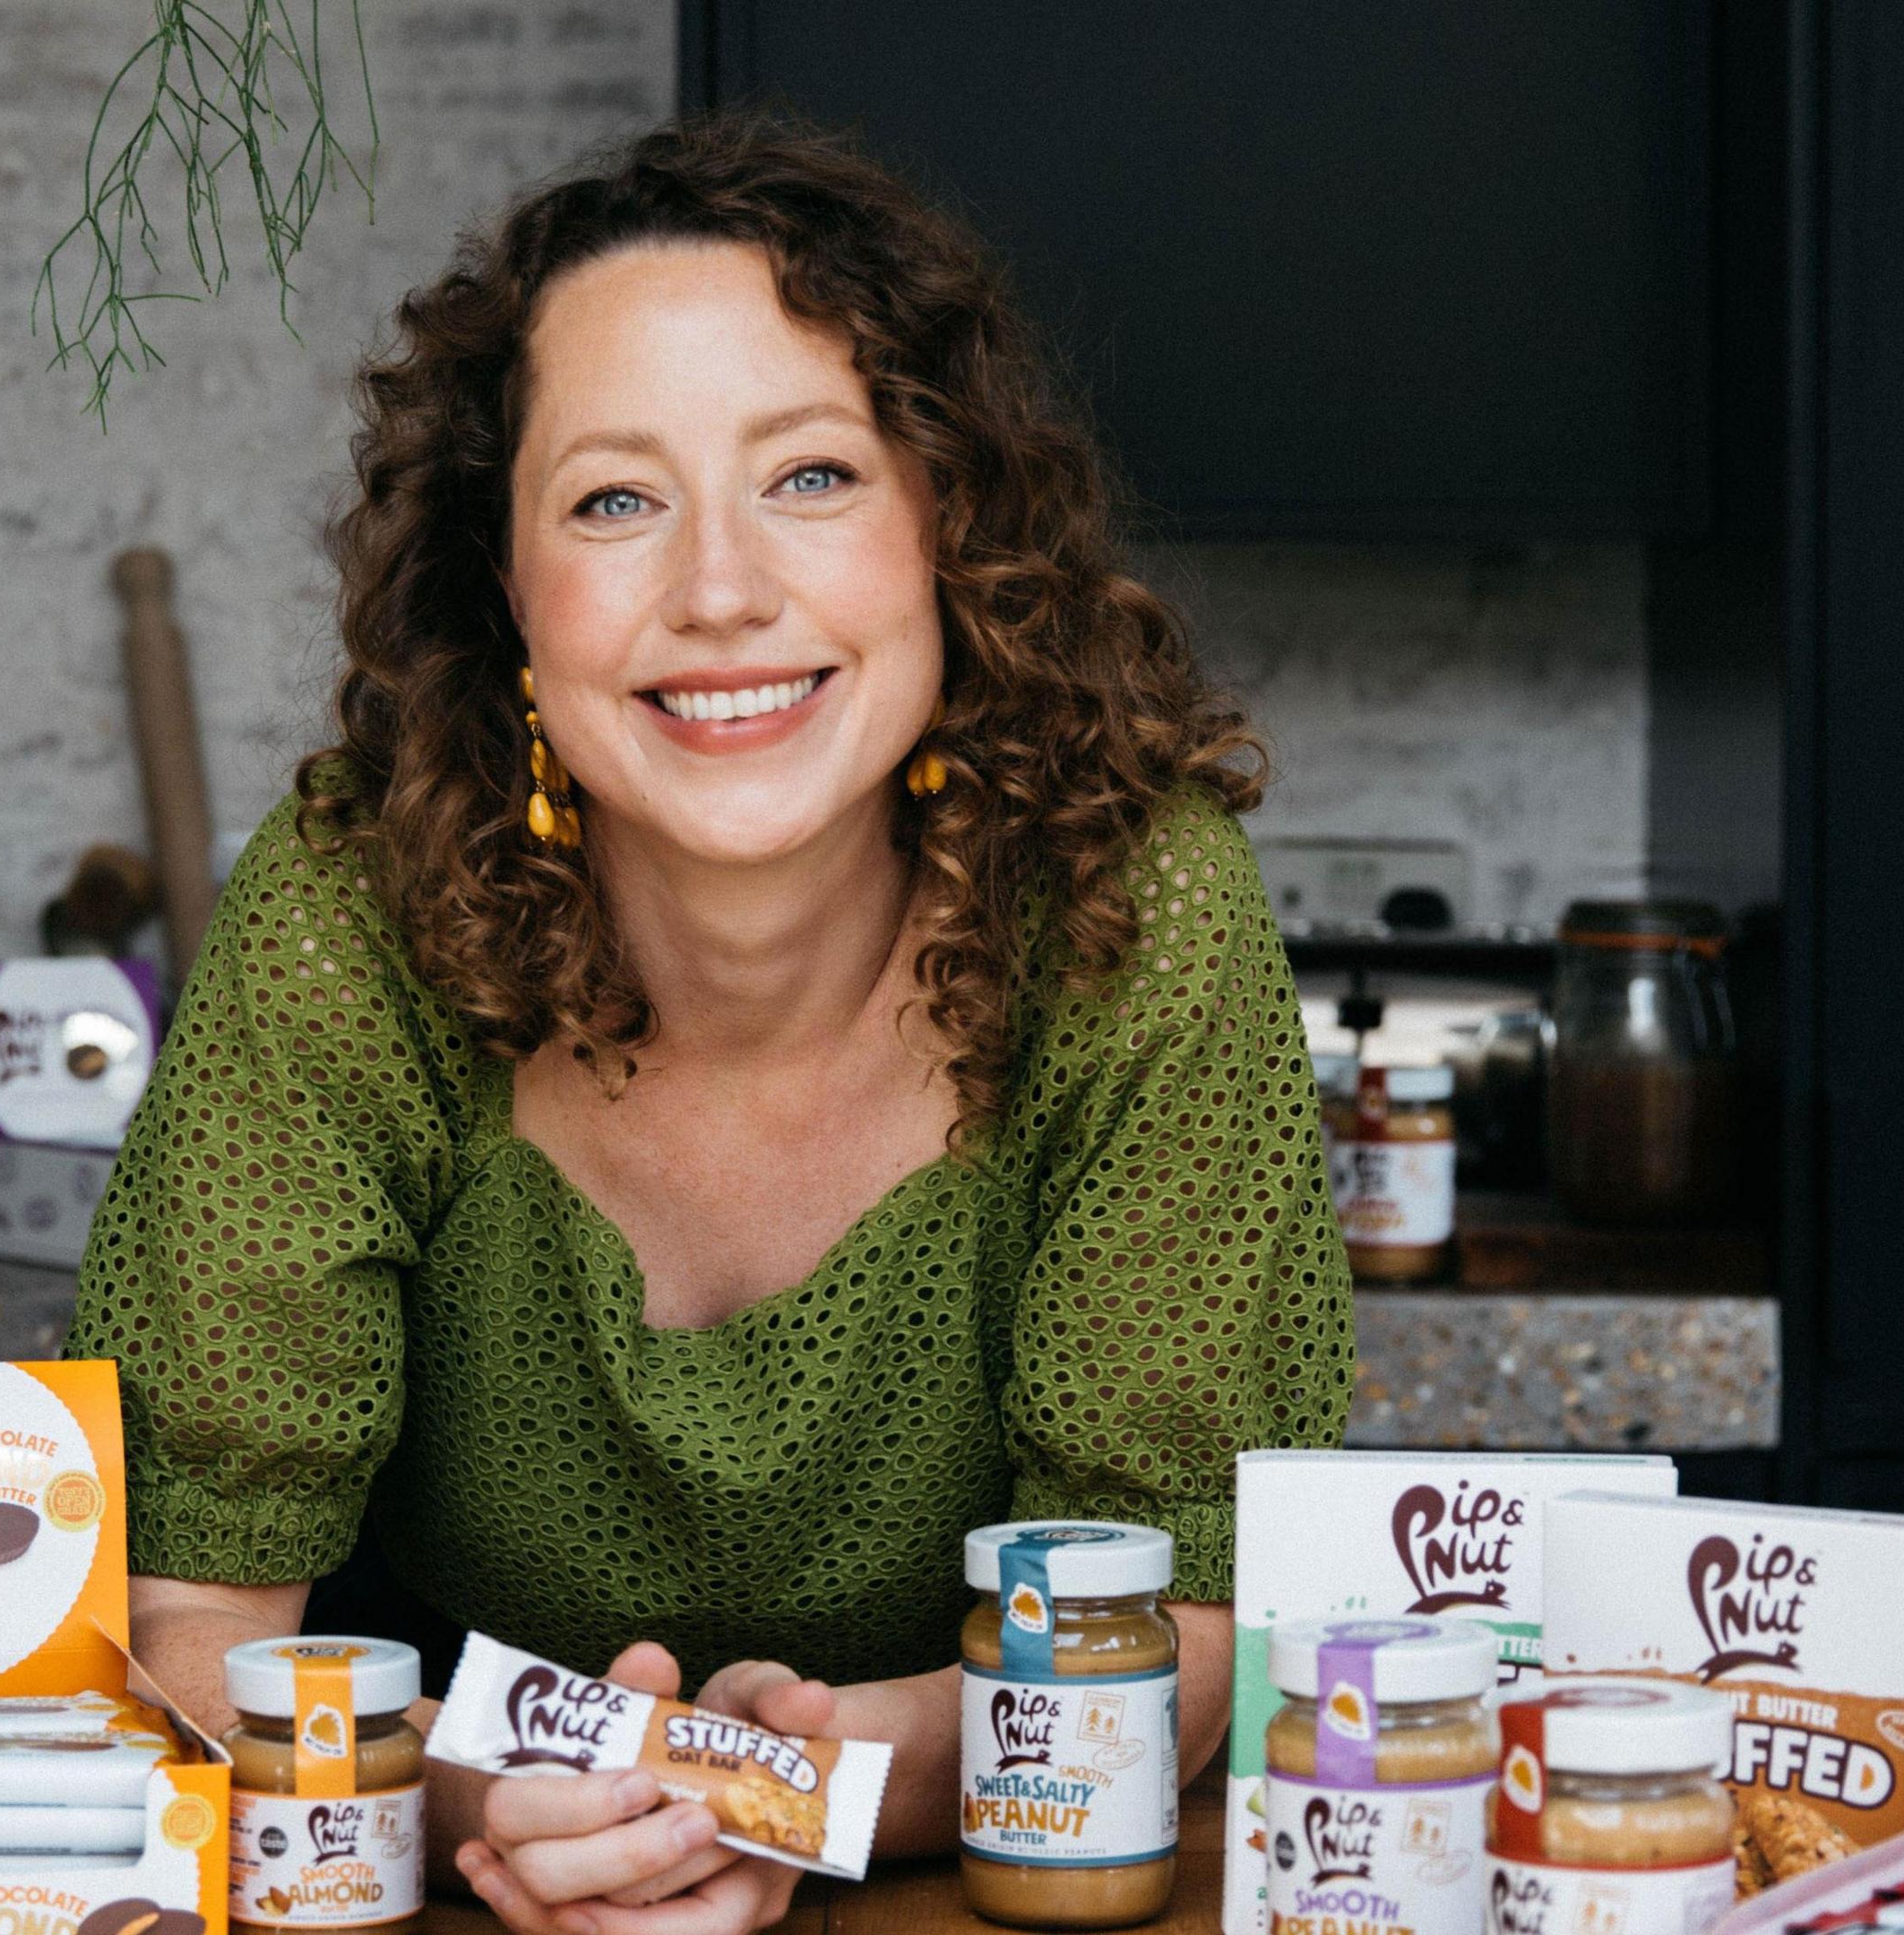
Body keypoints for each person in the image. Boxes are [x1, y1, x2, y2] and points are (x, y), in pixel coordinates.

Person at [66, 115, 1352, 1935]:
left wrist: (792, 1801)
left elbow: (1176, 1627)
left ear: (949, 525)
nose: (723, 590)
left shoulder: (1136, 914)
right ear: (506, 587)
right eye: (615, 499)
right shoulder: (352, 909)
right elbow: (187, 1623)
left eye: (813, 475)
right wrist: (497, 1808)